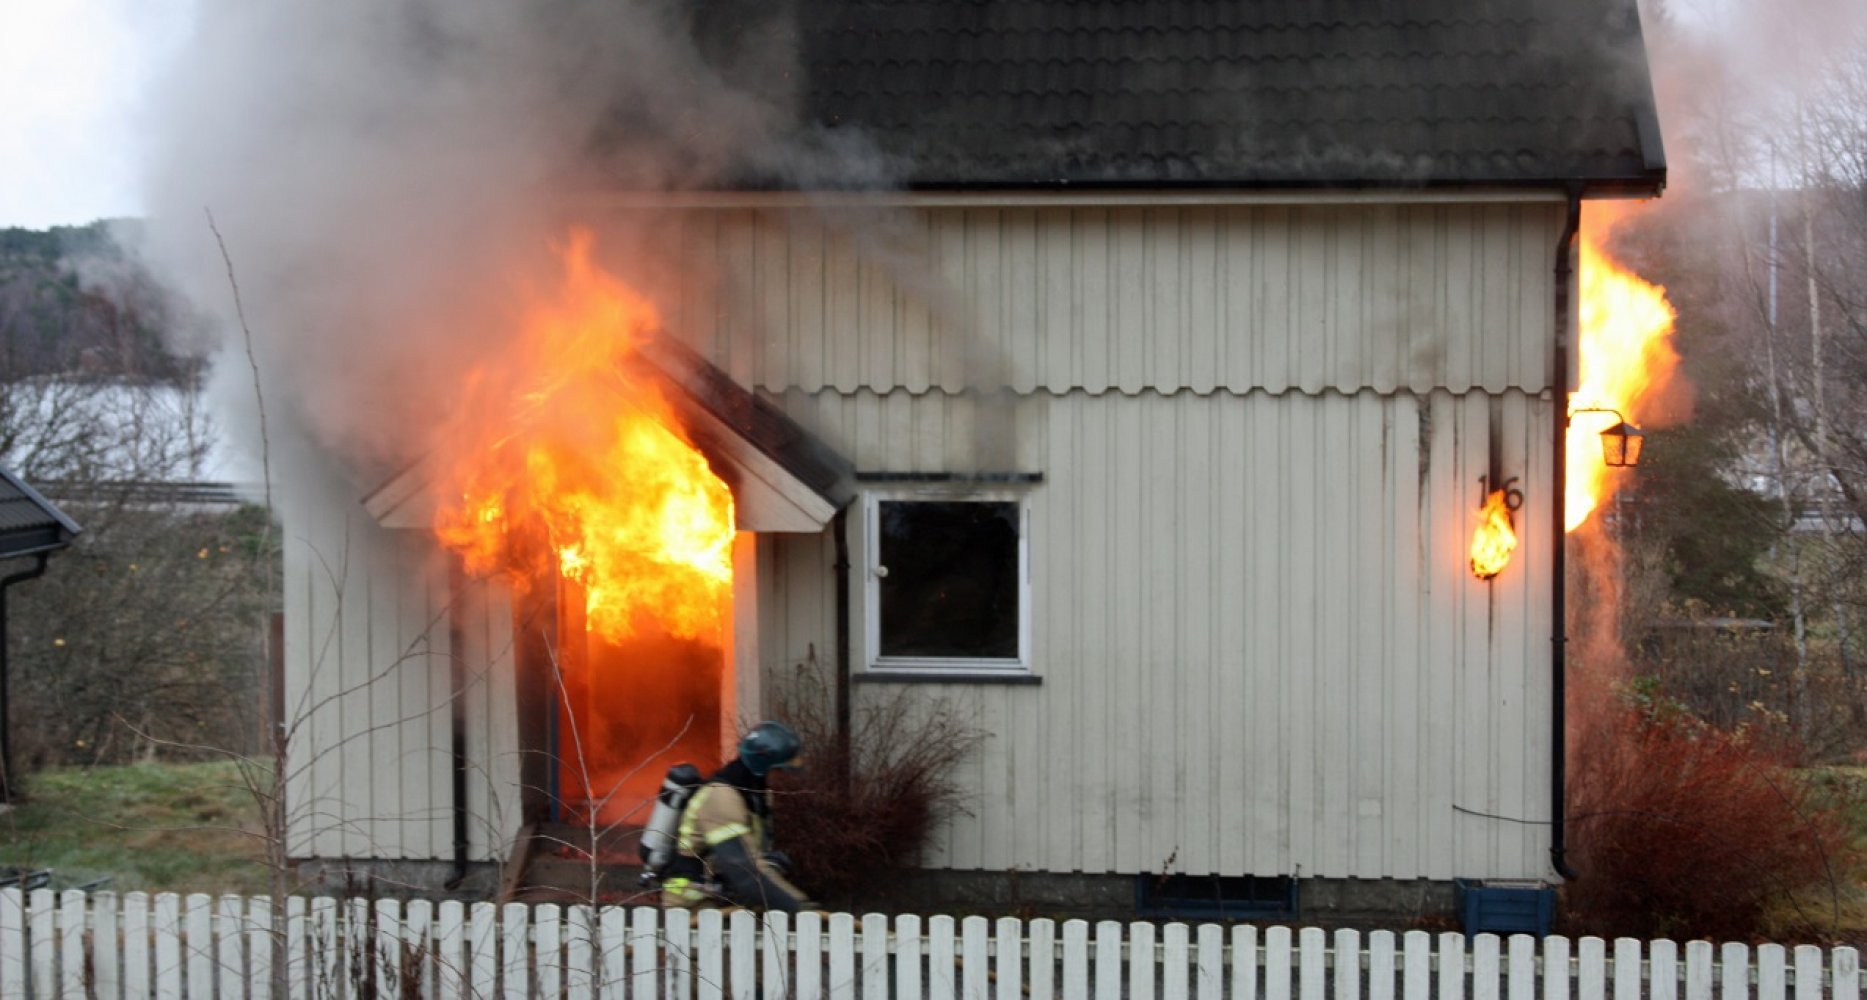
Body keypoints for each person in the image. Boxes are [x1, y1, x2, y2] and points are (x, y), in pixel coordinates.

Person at [659, 720, 816, 913]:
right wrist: (798, 907)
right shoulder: (721, 797)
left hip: (720, 901)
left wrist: (767, 862)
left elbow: (745, 857)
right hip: (692, 904)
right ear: (763, 768)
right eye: (782, 771)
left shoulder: (755, 797)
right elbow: (743, 869)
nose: (788, 778)